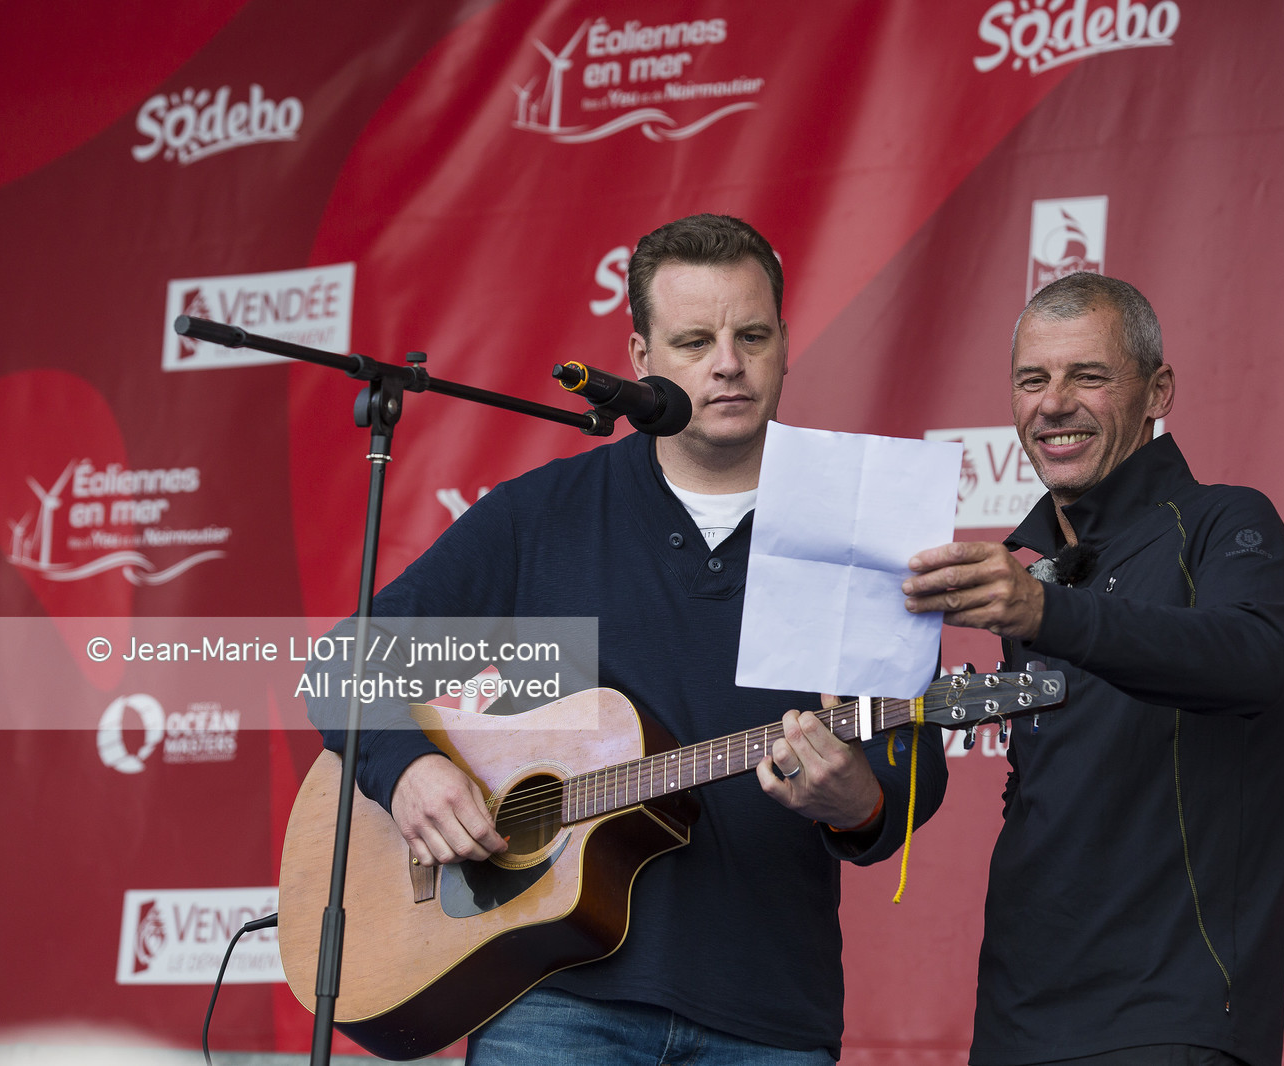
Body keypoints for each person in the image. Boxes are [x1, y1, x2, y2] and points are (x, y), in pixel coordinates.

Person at [311, 214, 947, 1063]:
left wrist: (858, 800)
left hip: (767, 1009)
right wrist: (408, 770)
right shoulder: (539, 515)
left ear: (786, 344)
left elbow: (912, 769)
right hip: (548, 999)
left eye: (753, 335)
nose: (729, 363)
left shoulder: (861, 528)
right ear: (641, 357)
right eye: (695, 341)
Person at [902, 273, 1284, 1066]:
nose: (1054, 403)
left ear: (1158, 391)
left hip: (1171, 1020)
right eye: (1032, 380)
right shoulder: (1030, 565)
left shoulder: (1226, 520)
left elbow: (1256, 661)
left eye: (1087, 375)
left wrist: (1045, 612)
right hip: (1015, 1023)